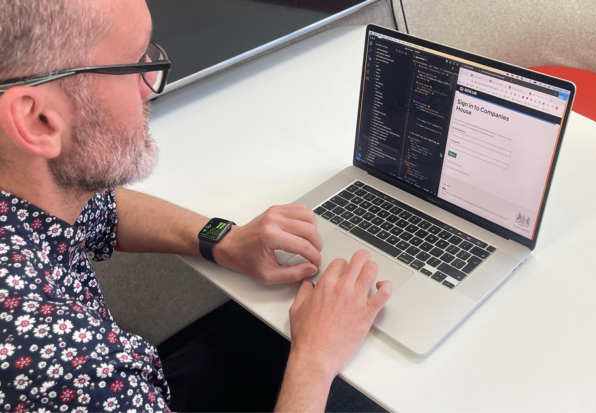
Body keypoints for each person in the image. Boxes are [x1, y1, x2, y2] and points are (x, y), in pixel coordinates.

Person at [0, 0, 393, 411]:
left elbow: (102, 210)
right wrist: (315, 362)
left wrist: (223, 239)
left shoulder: (29, 185)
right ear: (37, 121)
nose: (152, 84)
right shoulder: (63, 368)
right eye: (134, 66)